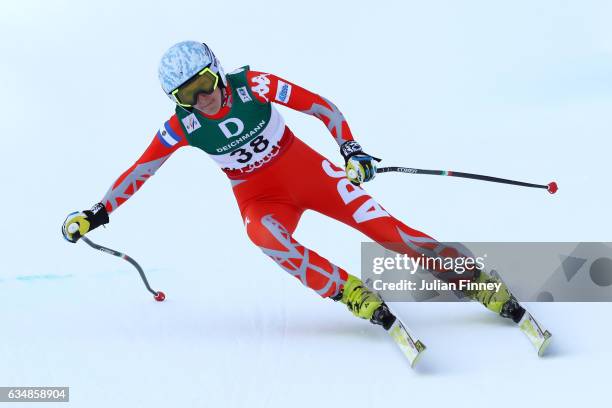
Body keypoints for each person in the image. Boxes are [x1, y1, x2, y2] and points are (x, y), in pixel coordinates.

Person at [62, 41, 524, 331]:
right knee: (262, 236)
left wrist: (351, 150)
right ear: (178, 101)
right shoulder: (181, 126)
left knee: (389, 232)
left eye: (205, 84)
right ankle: (352, 294)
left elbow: (322, 107)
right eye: (188, 95)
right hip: (260, 197)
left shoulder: (253, 84)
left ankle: (477, 282)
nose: (204, 100)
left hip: (308, 173)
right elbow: (140, 171)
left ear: (217, 72)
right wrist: (98, 212)